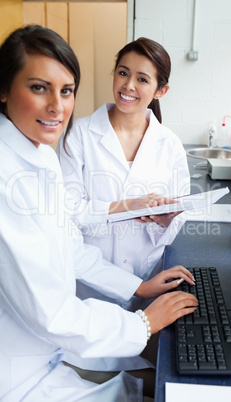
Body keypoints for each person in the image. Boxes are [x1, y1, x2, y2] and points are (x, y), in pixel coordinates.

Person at [0, 25, 198, 401]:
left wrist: (138, 287)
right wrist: (141, 322)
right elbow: (51, 313)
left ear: (159, 90)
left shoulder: (39, 154)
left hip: (58, 344)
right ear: (4, 88)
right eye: (39, 87)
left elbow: (69, 245)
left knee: (153, 383)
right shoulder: (14, 173)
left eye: (66, 90)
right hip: (24, 365)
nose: (57, 107)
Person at [57, 37, 191, 313]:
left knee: (145, 347)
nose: (128, 85)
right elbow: (67, 212)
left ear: (160, 91)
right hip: (88, 284)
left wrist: (166, 220)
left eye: (142, 79)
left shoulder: (170, 144)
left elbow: (181, 211)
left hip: (148, 277)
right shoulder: (78, 135)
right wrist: (126, 206)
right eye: (123, 73)